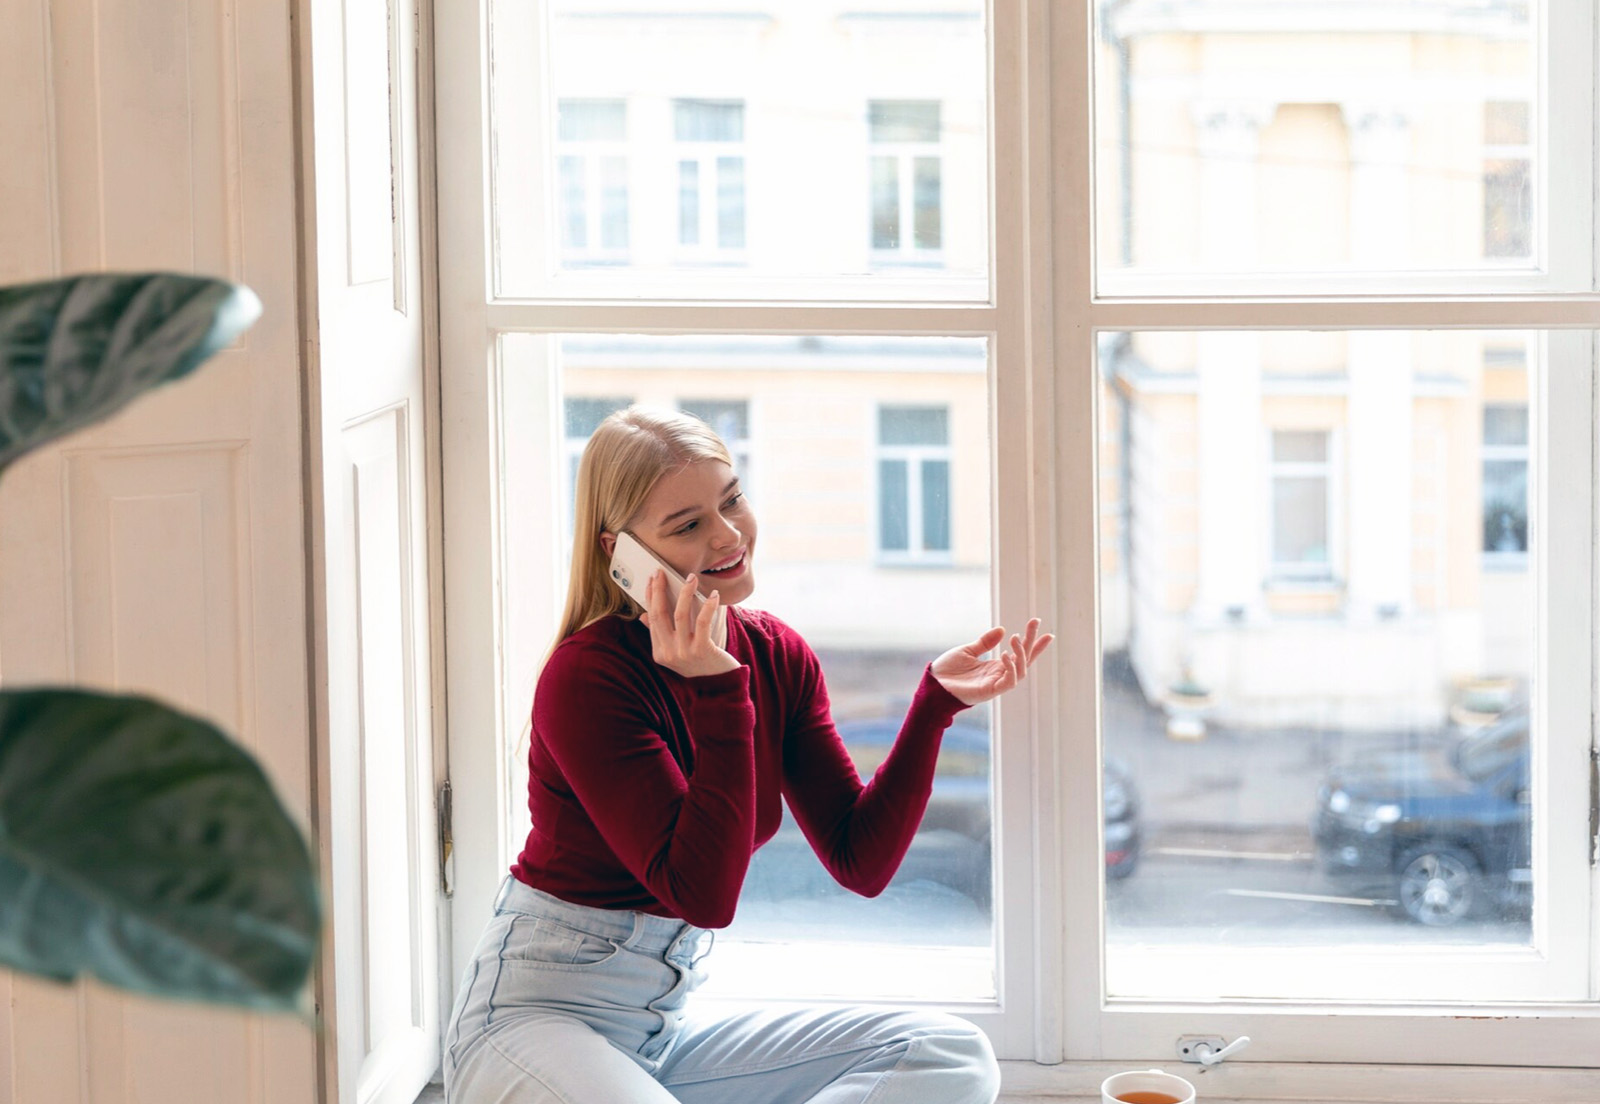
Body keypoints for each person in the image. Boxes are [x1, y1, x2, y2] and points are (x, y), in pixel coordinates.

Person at [443, 406, 1053, 1103]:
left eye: (730, 499)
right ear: (623, 553)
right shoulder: (589, 677)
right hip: (532, 1024)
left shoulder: (777, 654)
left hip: (656, 1038)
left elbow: (861, 861)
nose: (729, 534)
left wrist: (933, 707)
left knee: (946, 1055)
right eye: (688, 525)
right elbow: (703, 894)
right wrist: (719, 688)